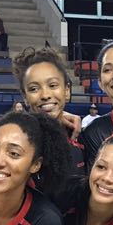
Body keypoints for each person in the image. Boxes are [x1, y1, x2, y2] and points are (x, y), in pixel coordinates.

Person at [14, 44, 85, 179]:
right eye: (34, 89)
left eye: (52, 85)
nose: (45, 95)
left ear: (67, 90)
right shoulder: (15, 141)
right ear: (25, 97)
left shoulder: (83, 138)